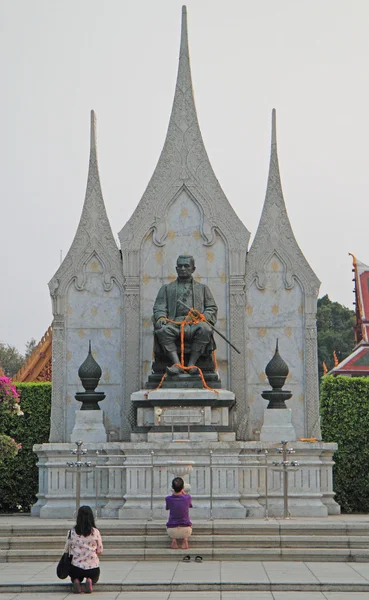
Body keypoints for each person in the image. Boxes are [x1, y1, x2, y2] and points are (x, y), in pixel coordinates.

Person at [153, 254, 218, 375]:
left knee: (205, 329)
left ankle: (192, 364)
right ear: (176, 268)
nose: (183, 268)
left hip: (195, 323)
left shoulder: (202, 288)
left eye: (186, 266)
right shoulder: (167, 288)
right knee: (162, 330)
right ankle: (176, 364)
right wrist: (161, 317)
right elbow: (159, 306)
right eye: (180, 266)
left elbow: (211, 308)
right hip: (174, 323)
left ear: (193, 269)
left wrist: (203, 317)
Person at [64, 505, 103, 594]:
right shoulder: (95, 532)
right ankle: (90, 580)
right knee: (95, 575)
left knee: (74, 575)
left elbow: (67, 548)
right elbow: (100, 550)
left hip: (76, 567)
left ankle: (76, 580)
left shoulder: (72, 532)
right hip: (92, 567)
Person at [166, 476, 192, 550]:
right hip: (186, 530)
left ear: (172, 487)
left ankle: (174, 540)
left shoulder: (168, 499)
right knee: (187, 522)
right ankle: (185, 540)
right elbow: (189, 505)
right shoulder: (188, 498)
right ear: (183, 487)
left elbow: (168, 507)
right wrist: (183, 493)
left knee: (171, 522)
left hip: (171, 531)